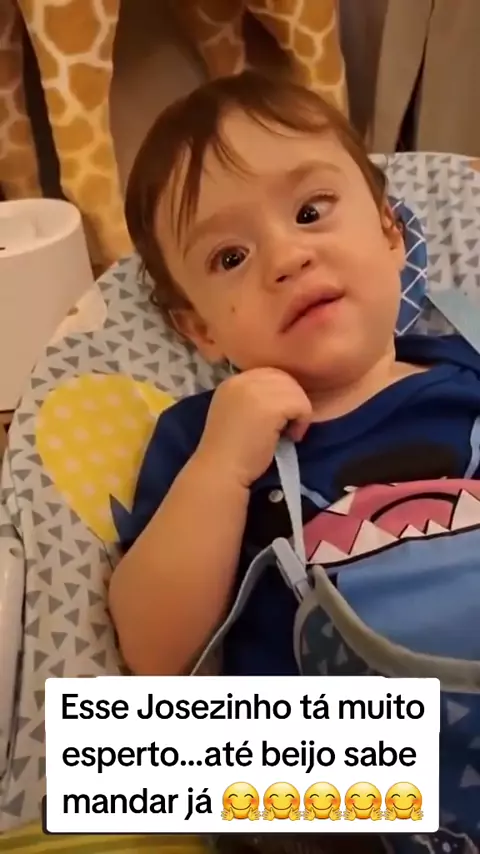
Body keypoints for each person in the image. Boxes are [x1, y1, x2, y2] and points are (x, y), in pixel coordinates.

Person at [108, 69, 480, 854]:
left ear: (391, 234)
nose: (285, 257)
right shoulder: (202, 436)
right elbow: (153, 655)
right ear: (201, 330)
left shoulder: (469, 367)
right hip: (343, 775)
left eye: (311, 212)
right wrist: (221, 467)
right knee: (123, 757)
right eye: (230, 257)